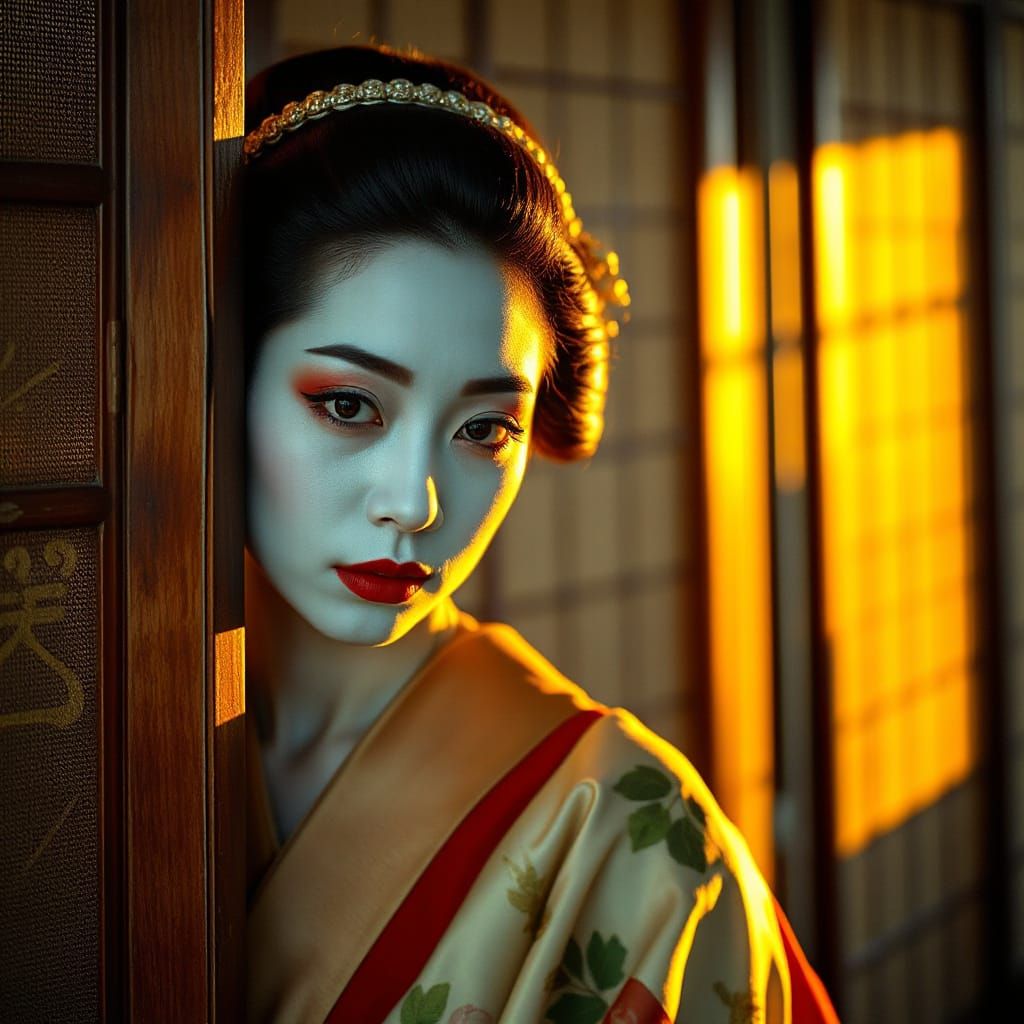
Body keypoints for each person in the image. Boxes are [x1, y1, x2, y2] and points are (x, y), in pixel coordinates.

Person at [241, 43, 839, 1024]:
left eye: (485, 429)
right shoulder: (88, 749)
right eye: (349, 404)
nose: (416, 504)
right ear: (219, 375)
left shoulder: (635, 841)